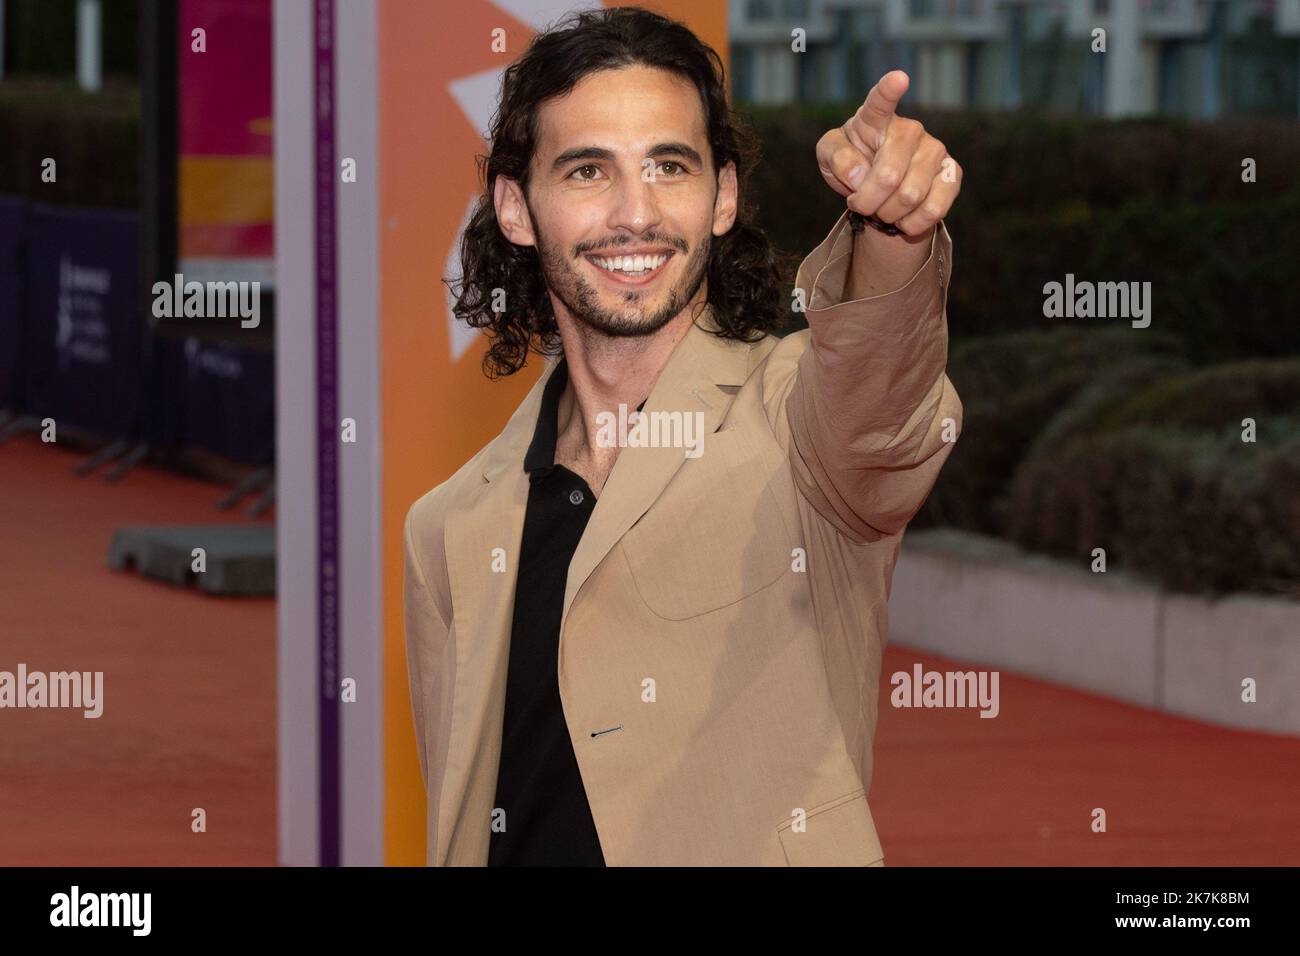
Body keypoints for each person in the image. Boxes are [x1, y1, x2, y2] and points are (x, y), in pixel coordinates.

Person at [404, 6, 962, 866]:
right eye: (589, 171)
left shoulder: (796, 423)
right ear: (517, 208)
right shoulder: (447, 529)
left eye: (671, 166)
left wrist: (890, 231)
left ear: (723, 196)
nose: (638, 213)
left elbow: (884, 407)